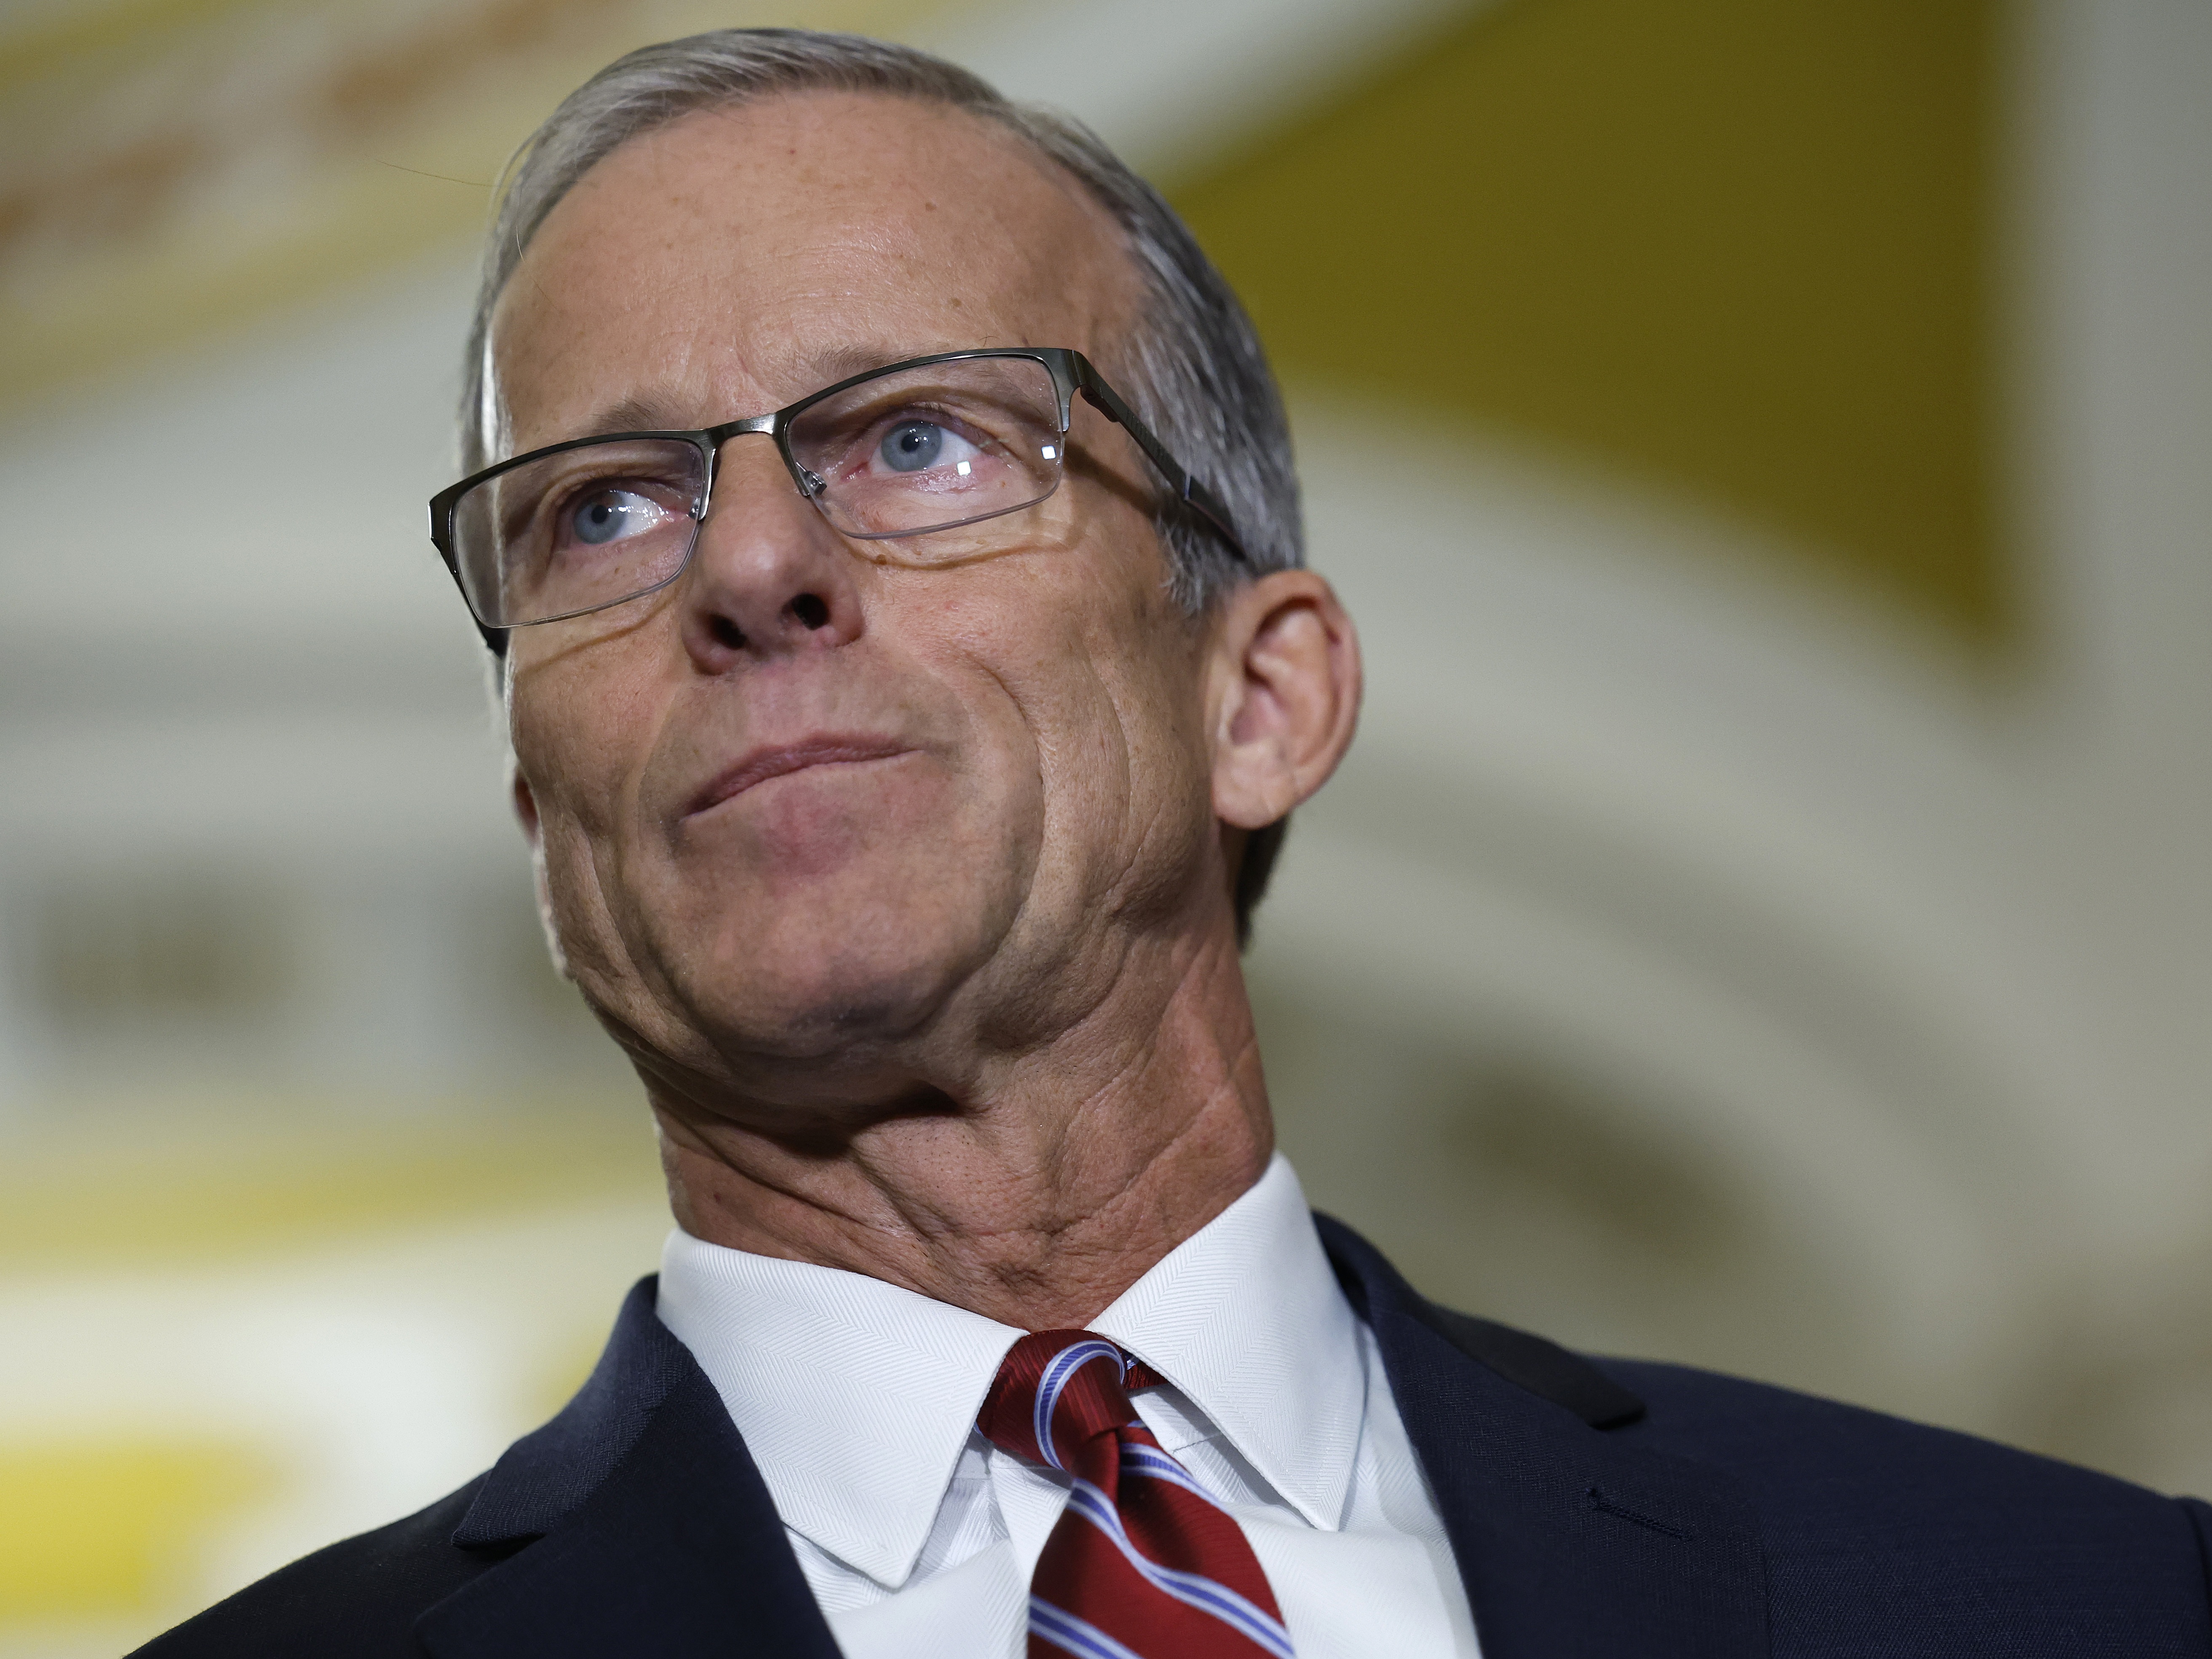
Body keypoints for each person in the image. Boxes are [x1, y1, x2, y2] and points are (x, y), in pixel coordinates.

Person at [139, 27, 2210, 1659]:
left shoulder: (2067, 1606)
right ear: (538, 811)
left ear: (1260, 697)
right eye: (600, 507)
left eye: (919, 437)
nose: (752, 562)